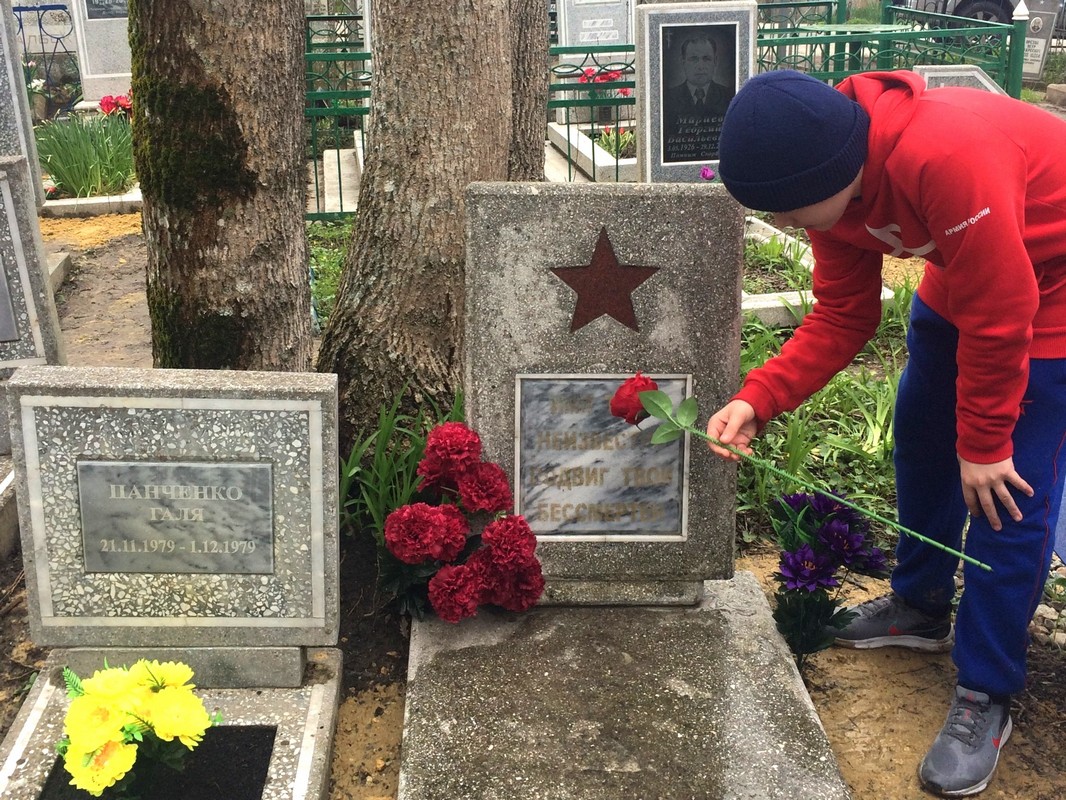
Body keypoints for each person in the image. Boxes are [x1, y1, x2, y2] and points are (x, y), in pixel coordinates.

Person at [706, 69, 1066, 798]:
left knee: (1006, 495)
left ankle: (986, 688)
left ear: (833, 174)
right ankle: (920, 605)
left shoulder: (948, 155)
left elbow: (1004, 313)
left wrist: (986, 442)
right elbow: (845, 315)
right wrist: (760, 397)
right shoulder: (829, 184)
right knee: (923, 440)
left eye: (786, 209)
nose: (785, 223)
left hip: (1049, 301)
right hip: (964, 284)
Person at [661, 33, 734, 162]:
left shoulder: (729, 96)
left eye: (706, 59)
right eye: (694, 59)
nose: (700, 66)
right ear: (683, 62)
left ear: (715, 62)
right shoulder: (669, 98)